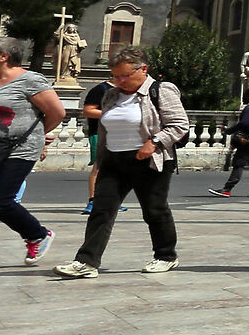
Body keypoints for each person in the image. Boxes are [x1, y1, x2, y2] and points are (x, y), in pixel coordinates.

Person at [51, 46, 191, 278]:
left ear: (143, 69)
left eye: (125, 75)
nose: (119, 80)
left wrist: (154, 142)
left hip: (148, 159)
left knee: (154, 210)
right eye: (115, 76)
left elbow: (179, 124)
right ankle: (86, 262)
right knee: (101, 210)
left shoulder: (161, 90)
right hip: (114, 160)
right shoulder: (111, 95)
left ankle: (166, 256)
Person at [0, 37, 63, 272]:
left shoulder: (30, 80)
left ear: (3, 56)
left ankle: (37, 234)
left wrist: (37, 134)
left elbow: (56, 112)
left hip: (17, 149)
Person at [77, 75, 112, 215]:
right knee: (98, 167)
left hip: (117, 134)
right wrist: (112, 114)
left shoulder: (126, 91)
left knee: (114, 169)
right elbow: (87, 111)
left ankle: (110, 200)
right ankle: (92, 200)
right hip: (99, 133)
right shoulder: (100, 89)